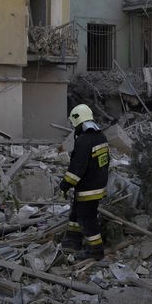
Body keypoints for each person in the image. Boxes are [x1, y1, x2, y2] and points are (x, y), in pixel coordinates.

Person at [58, 104, 109, 260]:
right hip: (97, 185)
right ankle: (73, 240)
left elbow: (76, 170)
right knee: (76, 212)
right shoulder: (101, 137)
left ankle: (96, 251)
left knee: (87, 218)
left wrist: (64, 185)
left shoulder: (83, 141)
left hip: (88, 188)